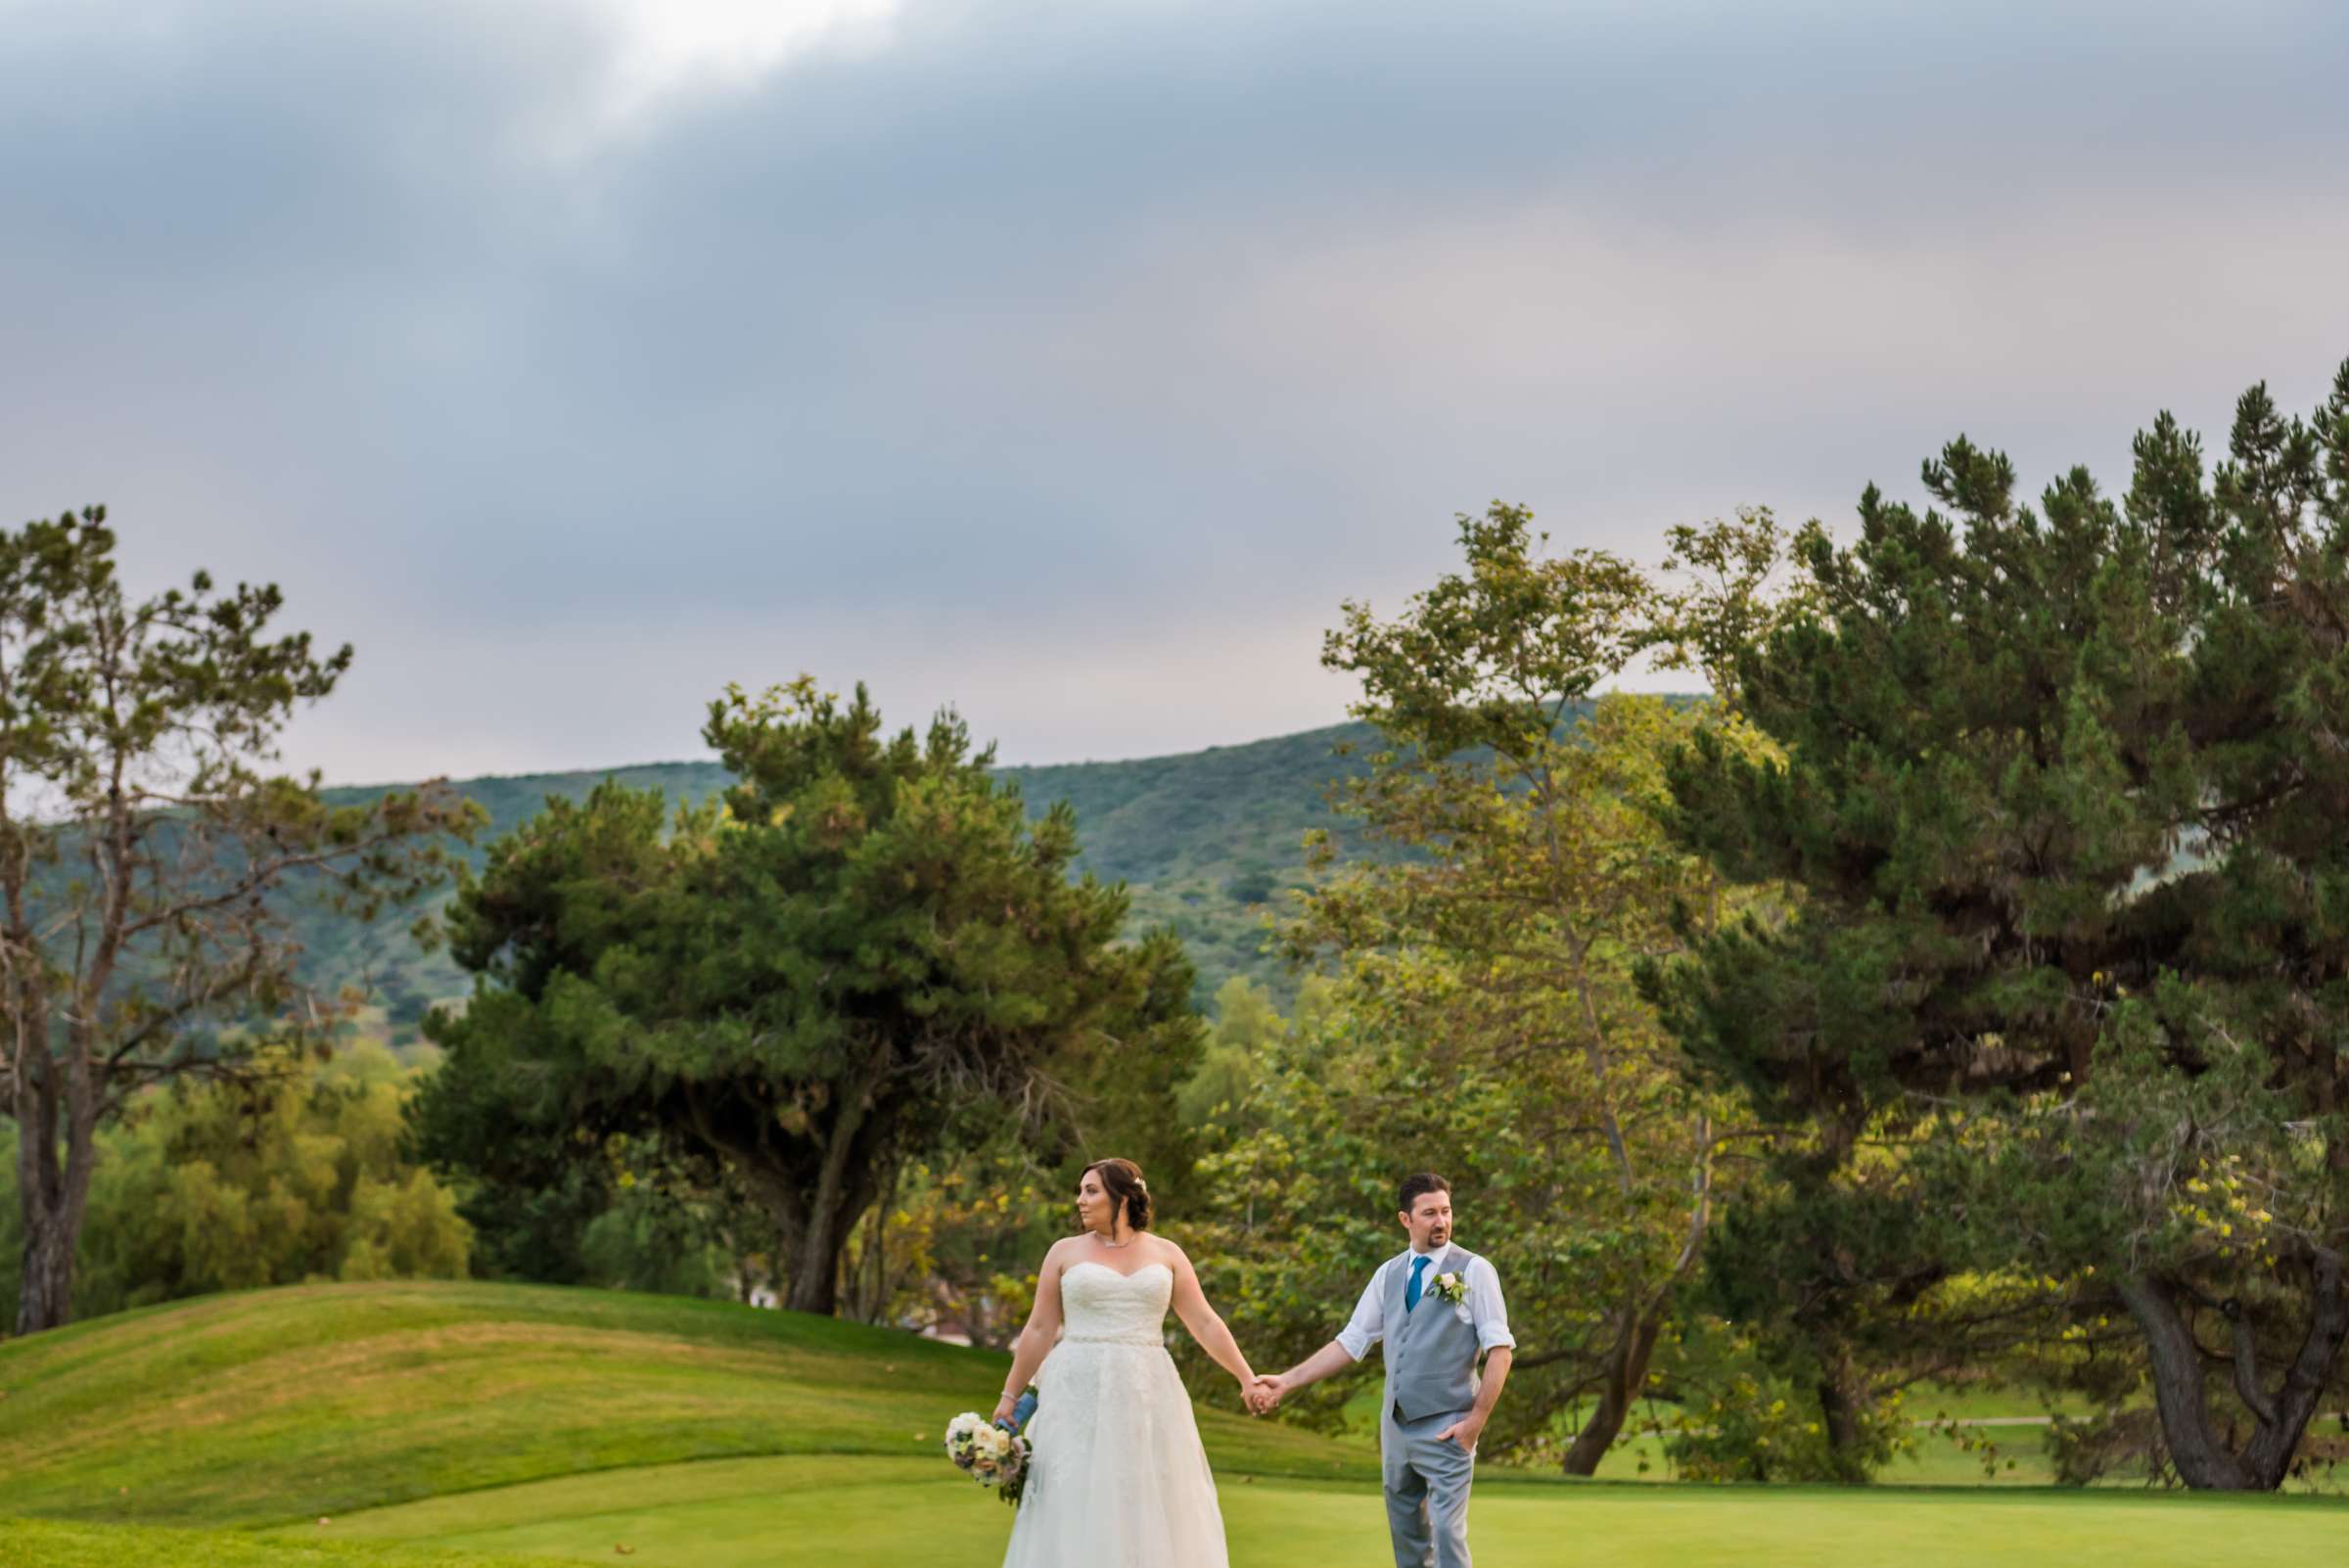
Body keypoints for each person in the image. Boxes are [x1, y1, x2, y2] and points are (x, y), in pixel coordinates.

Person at [995, 1157, 1252, 1567]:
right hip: (1077, 1388)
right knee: (1074, 1495)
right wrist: (1009, 1398)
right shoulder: (1063, 1252)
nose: (1080, 1200)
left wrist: (1246, 1377)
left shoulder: (1167, 1253)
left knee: (1144, 1494)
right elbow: (1040, 1328)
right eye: (1080, 1191)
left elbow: (1203, 1321)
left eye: (1091, 1190)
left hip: (1147, 1390)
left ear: (1123, 1197)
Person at [1248, 1173, 1513, 1568]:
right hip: (1396, 1429)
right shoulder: (1387, 1274)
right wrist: (1286, 1381)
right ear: (1405, 1219)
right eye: (1429, 1213)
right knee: (1406, 1540)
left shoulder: (1474, 1271)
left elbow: (1500, 1350)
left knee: (1447, 1535)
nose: (1441, 1221)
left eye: (1446, 1211)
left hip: (1449, 1427)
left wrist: (1475, 1423)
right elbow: (1350, 1342)